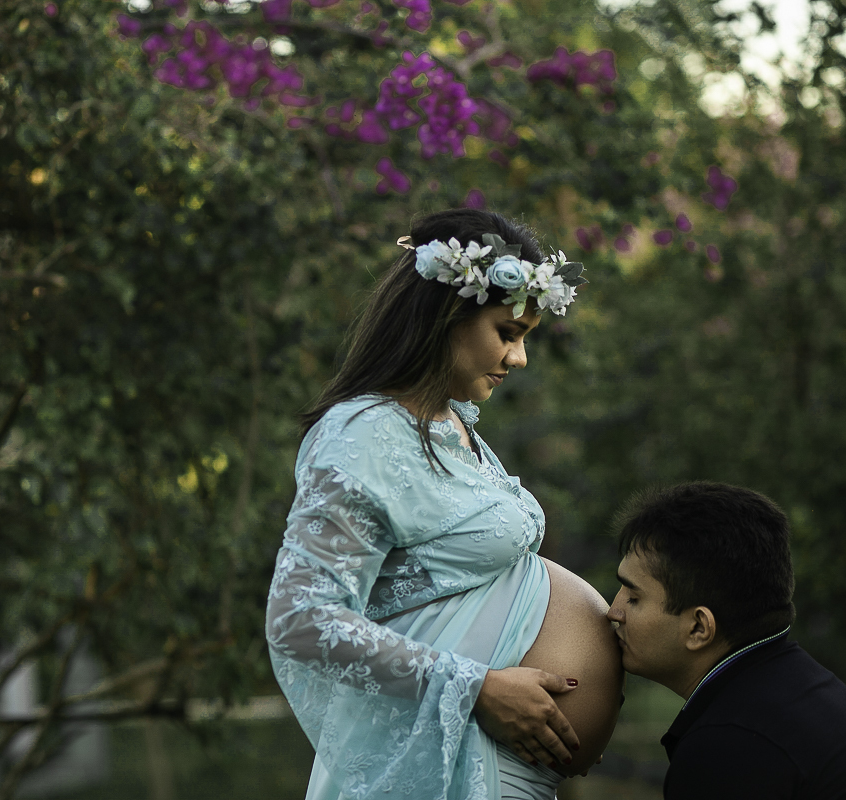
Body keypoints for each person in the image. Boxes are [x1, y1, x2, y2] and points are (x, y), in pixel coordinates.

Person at [265, 209, 623, 800]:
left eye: (525, 339)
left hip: (502, 766)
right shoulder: (363, 433)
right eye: (507, 334)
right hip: (445, 765)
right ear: (443, 317)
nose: (518, 359)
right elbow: (300, 619)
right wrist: (477, 689)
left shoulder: (454, 422)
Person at [606, 482, 846, 800]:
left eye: (634, 597)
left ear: (699, 628)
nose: (613, 611)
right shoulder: (796, 691)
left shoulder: (728, 750)